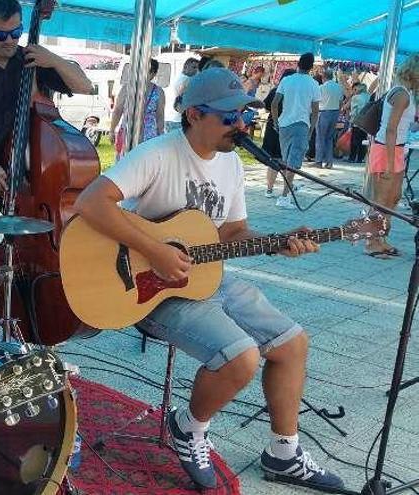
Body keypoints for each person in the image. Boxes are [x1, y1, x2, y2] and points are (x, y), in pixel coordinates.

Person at [73, 68, 344, 492]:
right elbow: (91, 201)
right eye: (229, 117)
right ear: (195, 114)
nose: (241, 126)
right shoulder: (158, 153)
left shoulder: (231, 164)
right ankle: (189, 428)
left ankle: (284, 453)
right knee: (241, 357)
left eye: (244, 115)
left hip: (207, 277)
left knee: (292, 344)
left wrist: (277, 242)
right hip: (148, 291)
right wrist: (157, 250)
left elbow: (232, 233)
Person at [0, 0, 93, 260]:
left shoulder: (31, 60)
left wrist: (54, 60)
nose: (11, 41)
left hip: (27, 180)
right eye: (1, 35)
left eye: (16, 32)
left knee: (31, 246)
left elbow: (85, 86)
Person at [364, 54, 419, 259]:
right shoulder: (402, 94)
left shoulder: (406, 93)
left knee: (393, 198)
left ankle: (381, 238)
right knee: (381, 200)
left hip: (396, 149)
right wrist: (388, 163)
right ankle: (371, 241)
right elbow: (390, 129)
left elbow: (400, 126)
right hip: (388, 149)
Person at [271, 53, 321, 209]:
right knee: (293, 164)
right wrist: (311, 129)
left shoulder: (286, 80)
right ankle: (284, 196)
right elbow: (315, 110)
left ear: (298, 64)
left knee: (287, 161)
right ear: (311, 67)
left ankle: (288, 188)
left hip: (284, 123)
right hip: (301, 124)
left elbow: (274, 103)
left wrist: (275, 121)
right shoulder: (313, 84)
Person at [110, 58, 166, 158]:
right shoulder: (127, 88)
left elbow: (160, 116)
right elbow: (117, 111)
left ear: (153, 74)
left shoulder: (158, 92)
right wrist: (112, 130)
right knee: (127, 162)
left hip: (146, 135)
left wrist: (160, 134)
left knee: (141, 164)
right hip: (130, 132)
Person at [263, 69, 297, 198]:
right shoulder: (294, 94)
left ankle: (269, 189)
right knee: (286, 161)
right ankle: (286, 191)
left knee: (273, 160)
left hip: (273, 128)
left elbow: (266, 105)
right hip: (288, 128)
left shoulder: (275, 91)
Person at [314, 70, 345, 169]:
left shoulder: (321, 87)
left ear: (324, 77)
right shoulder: (339, 87)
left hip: (323, 112)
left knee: (320, 137)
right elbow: (341, 102)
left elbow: (316, 101)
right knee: (329, 138)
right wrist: (338, 112)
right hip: (335, 112)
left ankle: (319, 161)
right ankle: (329, 161)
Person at [348, 82, 371, 163]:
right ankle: (360, 158)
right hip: (366, 121)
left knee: (354, 140)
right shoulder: (369, 96)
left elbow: (354, 111)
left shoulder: (356, 97)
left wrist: (351, 120)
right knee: (363, 140)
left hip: (357, 121)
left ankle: (352, 157)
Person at [242, 66, 266, 135]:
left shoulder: (255, 82)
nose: (262, 76)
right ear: (259, 73)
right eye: (262, 74)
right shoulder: (249, 82)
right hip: (246, 106)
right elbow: (244, 95)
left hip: (249, 106)